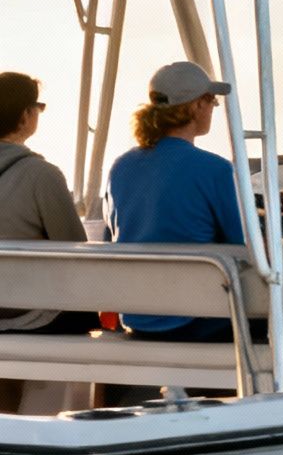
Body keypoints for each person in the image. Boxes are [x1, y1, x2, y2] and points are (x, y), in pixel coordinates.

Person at [107, 61, 245, 341]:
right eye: (212, 102)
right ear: (196, 106)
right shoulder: (215, 169)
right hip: (195, 320)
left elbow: (115, 235)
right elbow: (243, 245)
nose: (213, 109)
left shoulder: (120, 166)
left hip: (137, 318)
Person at [0, 71, 97, 334]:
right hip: (28, 313)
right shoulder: (42, 175)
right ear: (24, 116)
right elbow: (73, 250)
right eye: (38, 107)